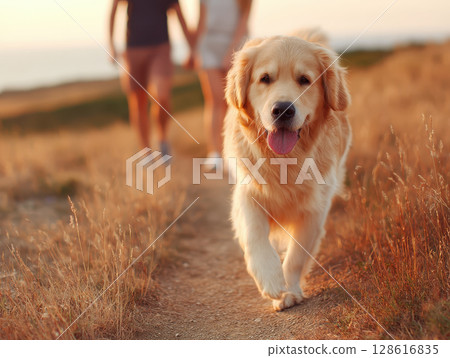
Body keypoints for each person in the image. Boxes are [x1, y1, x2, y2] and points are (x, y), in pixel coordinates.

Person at [109, 0, 193, 153]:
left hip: (160, 48)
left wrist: (192, 49)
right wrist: (111, 45)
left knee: (162, 95)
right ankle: (145, 150)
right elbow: (113, 8)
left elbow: (179, 14)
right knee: (138, 102)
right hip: (133, 49)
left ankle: (162, 138)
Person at [192, 0, 252, 166]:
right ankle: (216, 153)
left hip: (237, 45)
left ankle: (236, 152)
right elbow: (201, 22)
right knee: (215, 100)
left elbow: (243, 22)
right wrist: (194, 50)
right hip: (209, 46)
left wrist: (230, 54)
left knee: (237, 102)